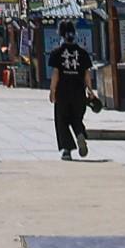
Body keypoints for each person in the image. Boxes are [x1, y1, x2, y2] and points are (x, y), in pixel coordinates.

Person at [48, 31, 94, 159]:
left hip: (62, 93)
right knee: (76, 118)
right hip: (79, 93)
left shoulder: (57, 53)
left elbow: (56, 73)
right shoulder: (83, 53)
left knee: (62, 121)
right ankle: (79, 133)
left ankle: (67, 150)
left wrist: (52, 91)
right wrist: (90, 90)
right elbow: (87, 74)